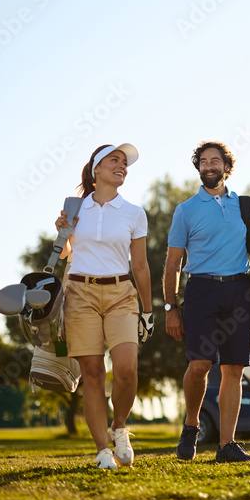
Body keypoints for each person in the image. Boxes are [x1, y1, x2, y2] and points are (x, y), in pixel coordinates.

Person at [163, 141, 250, 463]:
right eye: (203, 162)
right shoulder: (186, 210)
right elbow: (173, 263)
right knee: (199, 365)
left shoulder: (244, 205)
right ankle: (192, 425)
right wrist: (171, 308)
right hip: (201, 290)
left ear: (226, 168)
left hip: (239, 290)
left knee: (234, 369)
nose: (208, 166)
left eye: (214, 161)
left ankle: (227, 445)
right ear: (198, 168)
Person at [55, 143, 154, 470]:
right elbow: (64, 254)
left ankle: (119, 427)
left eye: (125, 162)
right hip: (80, 294)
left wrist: (148, 311)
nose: (122, 166)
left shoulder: (134, 213)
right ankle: (102, 451)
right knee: (94, 374)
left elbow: (140, 265)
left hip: (121, 294)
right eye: (115, 160)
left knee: (126, 368)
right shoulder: (75, 207)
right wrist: (62, 233)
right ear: (96, 168)